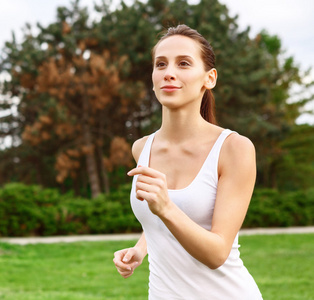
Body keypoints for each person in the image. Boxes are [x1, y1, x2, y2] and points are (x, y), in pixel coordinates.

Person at [112, 24, 263, 299]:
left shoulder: (234, 149)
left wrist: (166, 206)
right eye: (161, 64)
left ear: (210, 78)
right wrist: (141, 248)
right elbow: (162, 219)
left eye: (183, 63)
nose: (169, 72)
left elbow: (217, 252)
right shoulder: (142, 148)